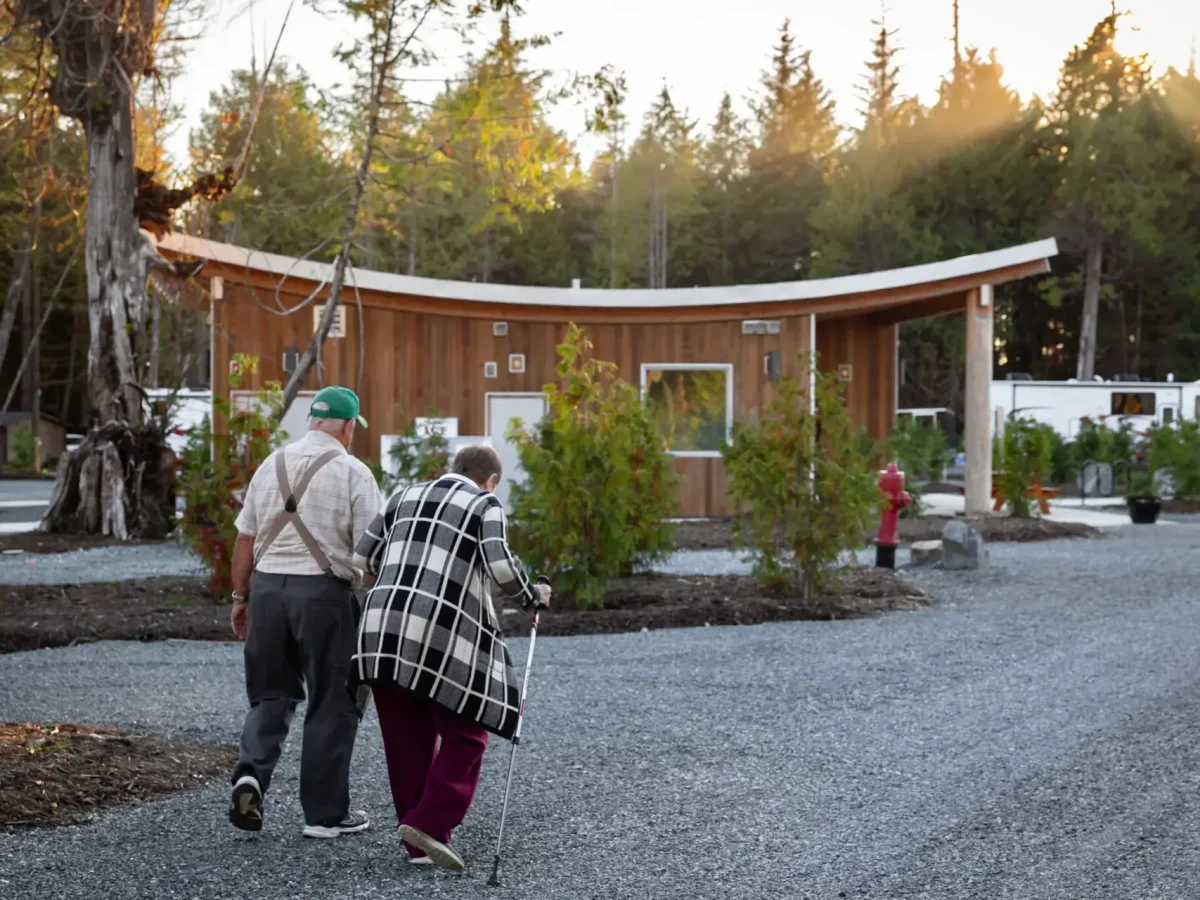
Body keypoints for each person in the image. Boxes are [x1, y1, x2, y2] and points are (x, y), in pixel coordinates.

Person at [350, 444, 552, 871]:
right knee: (468, 733)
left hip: (379, 630)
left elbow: (362, 557)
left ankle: (421, 845)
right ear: (491, 479)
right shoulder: (486, 504)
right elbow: (499, 566)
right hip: (438, 632)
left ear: (453, 469)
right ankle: (429, 821)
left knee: (406, 741)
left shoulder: (403, 496)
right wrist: (532, 595)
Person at [227, 385, 382, 838]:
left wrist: (241, 598)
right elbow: (370, 554)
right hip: (324, 597)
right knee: (334, 700)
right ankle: (325, 814)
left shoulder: (269, 466)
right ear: (348, 426)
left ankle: (251, 775)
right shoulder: (354, 473)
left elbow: (244, 539)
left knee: (271, 694)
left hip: (268, 591)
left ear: (312, 420)